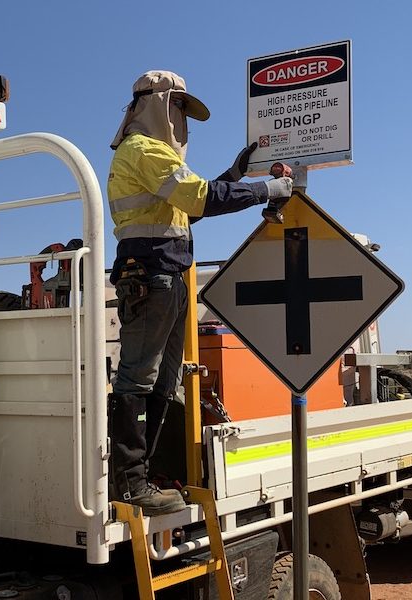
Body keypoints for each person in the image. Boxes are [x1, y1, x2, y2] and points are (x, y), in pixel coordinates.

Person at [107, 70, 293, 515]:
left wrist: (236, 174)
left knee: (163, 381)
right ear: (157, 104)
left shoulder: (154, 157)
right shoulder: (143, 149)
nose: (181, 119)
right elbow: (201, 199)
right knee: (138, 377)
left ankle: (144, 475)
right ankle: (130, 483)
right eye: (178, 107)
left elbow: (189, 210)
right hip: (152, 276)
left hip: (166, 278)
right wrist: (267, 187)